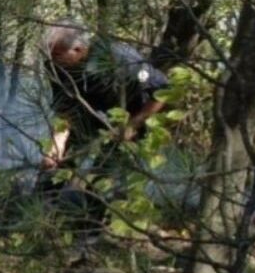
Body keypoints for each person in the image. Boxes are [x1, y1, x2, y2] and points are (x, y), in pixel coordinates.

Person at [42, 22, 168, 170]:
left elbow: (161, 89)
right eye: (50, 54)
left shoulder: (120, 59)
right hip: (88, 118)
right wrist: (58, 141)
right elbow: (65, 108)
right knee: (52, 172)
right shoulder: (55, 67)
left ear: (78, 49)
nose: (52, 59)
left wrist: (132, 125)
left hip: (132, 119)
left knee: (103, 181)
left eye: (57, 54)